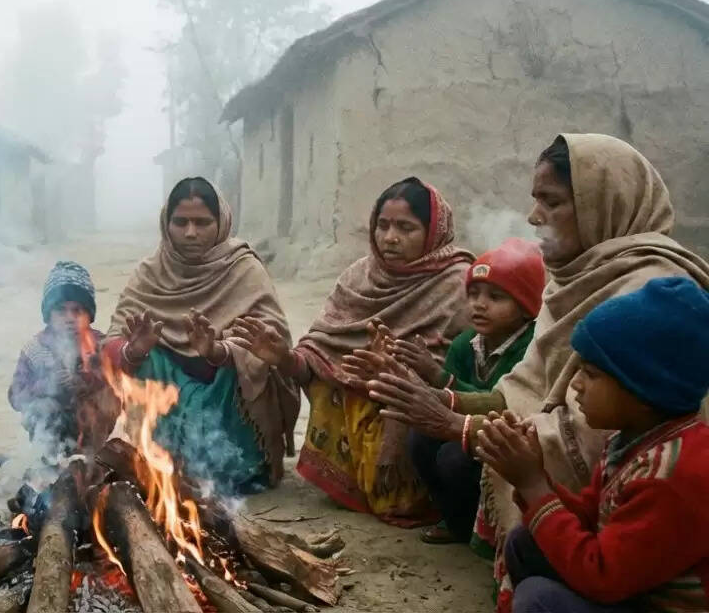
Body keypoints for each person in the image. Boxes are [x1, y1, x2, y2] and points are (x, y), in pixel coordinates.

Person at [366, 134, 709, 611]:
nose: (533, 218)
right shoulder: (577, 277)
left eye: (551, 202)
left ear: (601, 204)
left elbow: (586, 432)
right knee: (443, 448)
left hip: (646, 538)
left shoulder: (648, 288)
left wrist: (458, 425)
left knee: (459, 460)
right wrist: (445, 401)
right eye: (534, 201)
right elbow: (528, 390)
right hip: (606, 514)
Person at [234, 177, 474, 525]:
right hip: (360, 408)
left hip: (422, 412)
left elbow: (467, 372)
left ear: (434, 231)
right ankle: (351, 480)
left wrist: (398, 372)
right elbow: (318, 354)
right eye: (383, 225)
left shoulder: (458, 285)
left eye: (406, 228)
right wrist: (284, 358)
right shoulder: (357, 277)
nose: (390, 237)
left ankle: (413, 491)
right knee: (328, 379)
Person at [477, 277, 709, 613]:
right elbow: (590, 514)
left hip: (654, 601)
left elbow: (603, 576)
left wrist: (534, 485)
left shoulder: (673, 473)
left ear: (644, 390)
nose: (576, 384)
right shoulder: (632, 439)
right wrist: (533, 473)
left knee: (538, 600)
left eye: (591, 373)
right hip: (627, 584)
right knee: (525, 543)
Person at [102, 177, 299, 493]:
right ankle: (161, 462)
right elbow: (110, 344)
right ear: (166, 224)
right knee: (146, 361)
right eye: (181, 222)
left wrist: (219, 352)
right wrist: (134, 350)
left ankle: (235, 467)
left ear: (221, 223)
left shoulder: (243, 269)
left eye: (202, 222)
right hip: (168, 397)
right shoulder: (149, 273)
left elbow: (272, 345)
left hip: (225, 397)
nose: (190, 232)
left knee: (252, 363)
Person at [396, 238, 544, 545]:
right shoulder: (465, 344)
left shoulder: (530, 347)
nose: (479, 304)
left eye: (496, 297)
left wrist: (439, 377)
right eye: (474, 294)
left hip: (509, 434)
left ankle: (483, 527)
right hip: (466, 427)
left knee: (455, 457)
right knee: (419, 438)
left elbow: (504, 400)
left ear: (526, 306)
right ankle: (454, 518)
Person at [8, 261, 119, 457]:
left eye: (77, 310)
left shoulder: (100, 345)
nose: (70, 318)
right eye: (61, 310)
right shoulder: (35, 349)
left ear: (89, 314)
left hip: (92, 430)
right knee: (44, 408)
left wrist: (84, 384)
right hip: (47, 434)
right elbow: (15, 396)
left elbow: (118, 387)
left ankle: (90, 460)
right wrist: (48, 386)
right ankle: (49, 462)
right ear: (48, 315)